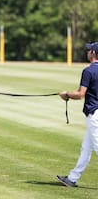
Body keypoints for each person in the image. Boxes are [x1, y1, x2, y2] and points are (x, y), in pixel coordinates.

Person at [57, 42, 98, 187]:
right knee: (86, 148)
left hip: (94, 115)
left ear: (93, 53)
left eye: (88, 50)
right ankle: (72, 179)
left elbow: (81, 94)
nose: (87, 52)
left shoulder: (88, 71)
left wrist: (66, 94)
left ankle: (72, 179)